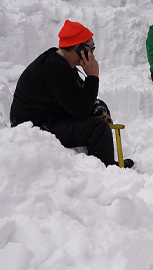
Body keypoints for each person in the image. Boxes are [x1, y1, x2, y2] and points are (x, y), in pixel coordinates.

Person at [10, 20, 133, 168]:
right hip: (33, 129)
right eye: (91, 48)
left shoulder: (61, 62)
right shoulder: (56, 68)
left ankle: (102, 157)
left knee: (98, 106)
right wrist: (93, 76)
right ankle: (106, 168)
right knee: (97, 127)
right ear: (78, 48)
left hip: (48, 116)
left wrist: (95, 104)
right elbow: (81, 110)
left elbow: (80, 96)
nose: (92, 53)